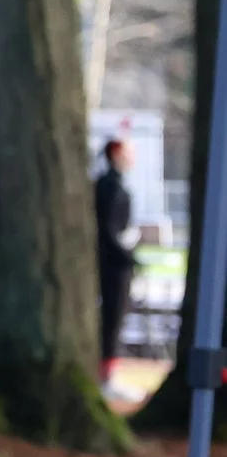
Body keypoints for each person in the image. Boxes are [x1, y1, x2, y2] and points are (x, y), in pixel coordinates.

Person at [95, 138, 139, 398]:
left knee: (116, 317)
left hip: (116, 260)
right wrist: (126, 254)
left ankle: (109, 373)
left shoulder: (113, 184)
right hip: (113, 263)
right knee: (112, 316)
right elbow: (109, 229)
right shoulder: (110, 187)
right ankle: (106, 376)